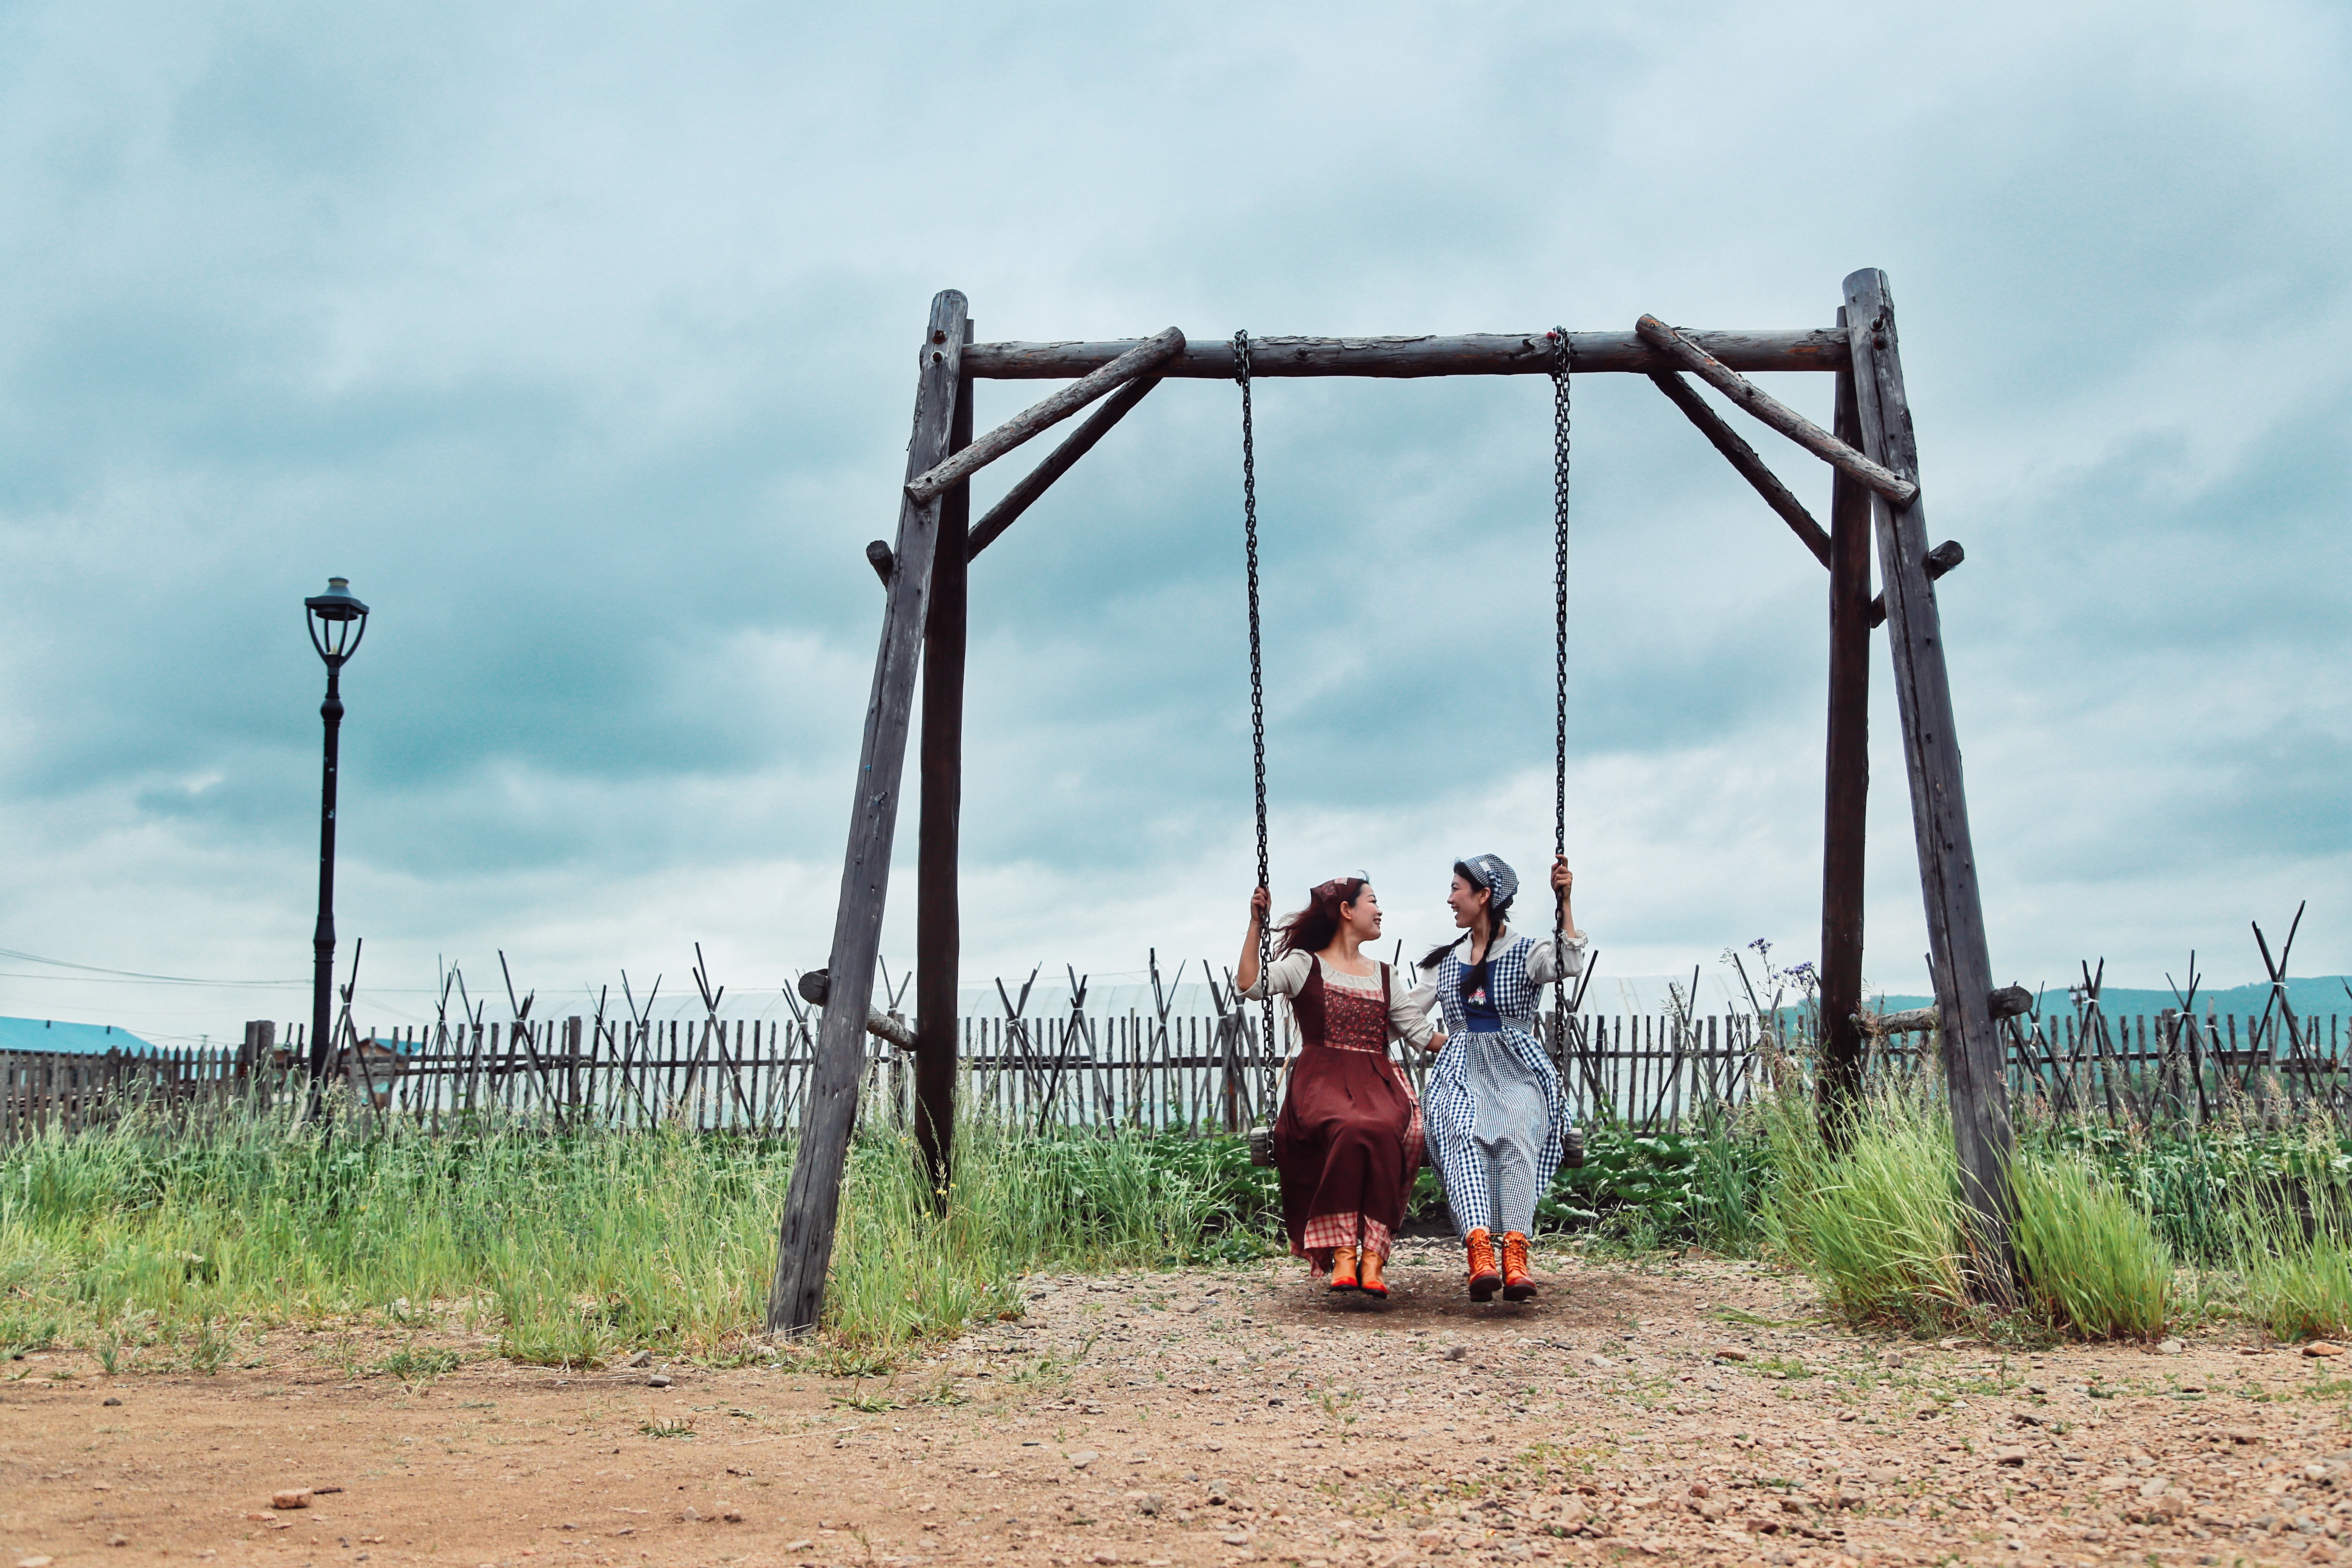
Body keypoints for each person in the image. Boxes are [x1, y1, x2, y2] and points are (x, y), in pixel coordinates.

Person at [1237, 876, 1436, 1297]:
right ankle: (1345, 1251)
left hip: (1378, 1081)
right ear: (1347, 911)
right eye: (1373, 902)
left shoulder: (1384, 974)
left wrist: (1485, 1039)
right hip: (1323, 1079)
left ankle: (1373, 1257)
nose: (1380, 911)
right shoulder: (1303, 965)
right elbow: (1250, 986)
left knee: (1385, 1128)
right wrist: (1256, 925)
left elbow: (1421, 1034)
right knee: (1349, 1126)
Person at [1414, 853, 1585, 1302]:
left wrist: (1563, 901)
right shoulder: (1445, 962)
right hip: (1461, 1071)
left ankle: (1514, 1251)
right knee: (1460, 1133)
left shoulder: (1529, 951)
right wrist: (1437, 1042)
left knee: (1517, 1134)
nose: (1450, 898)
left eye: (1457, 889)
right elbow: (1404, 1013)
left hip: (1517, 1069)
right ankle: (1480, 1253)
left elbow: (1567, 965)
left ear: (1484, 895)